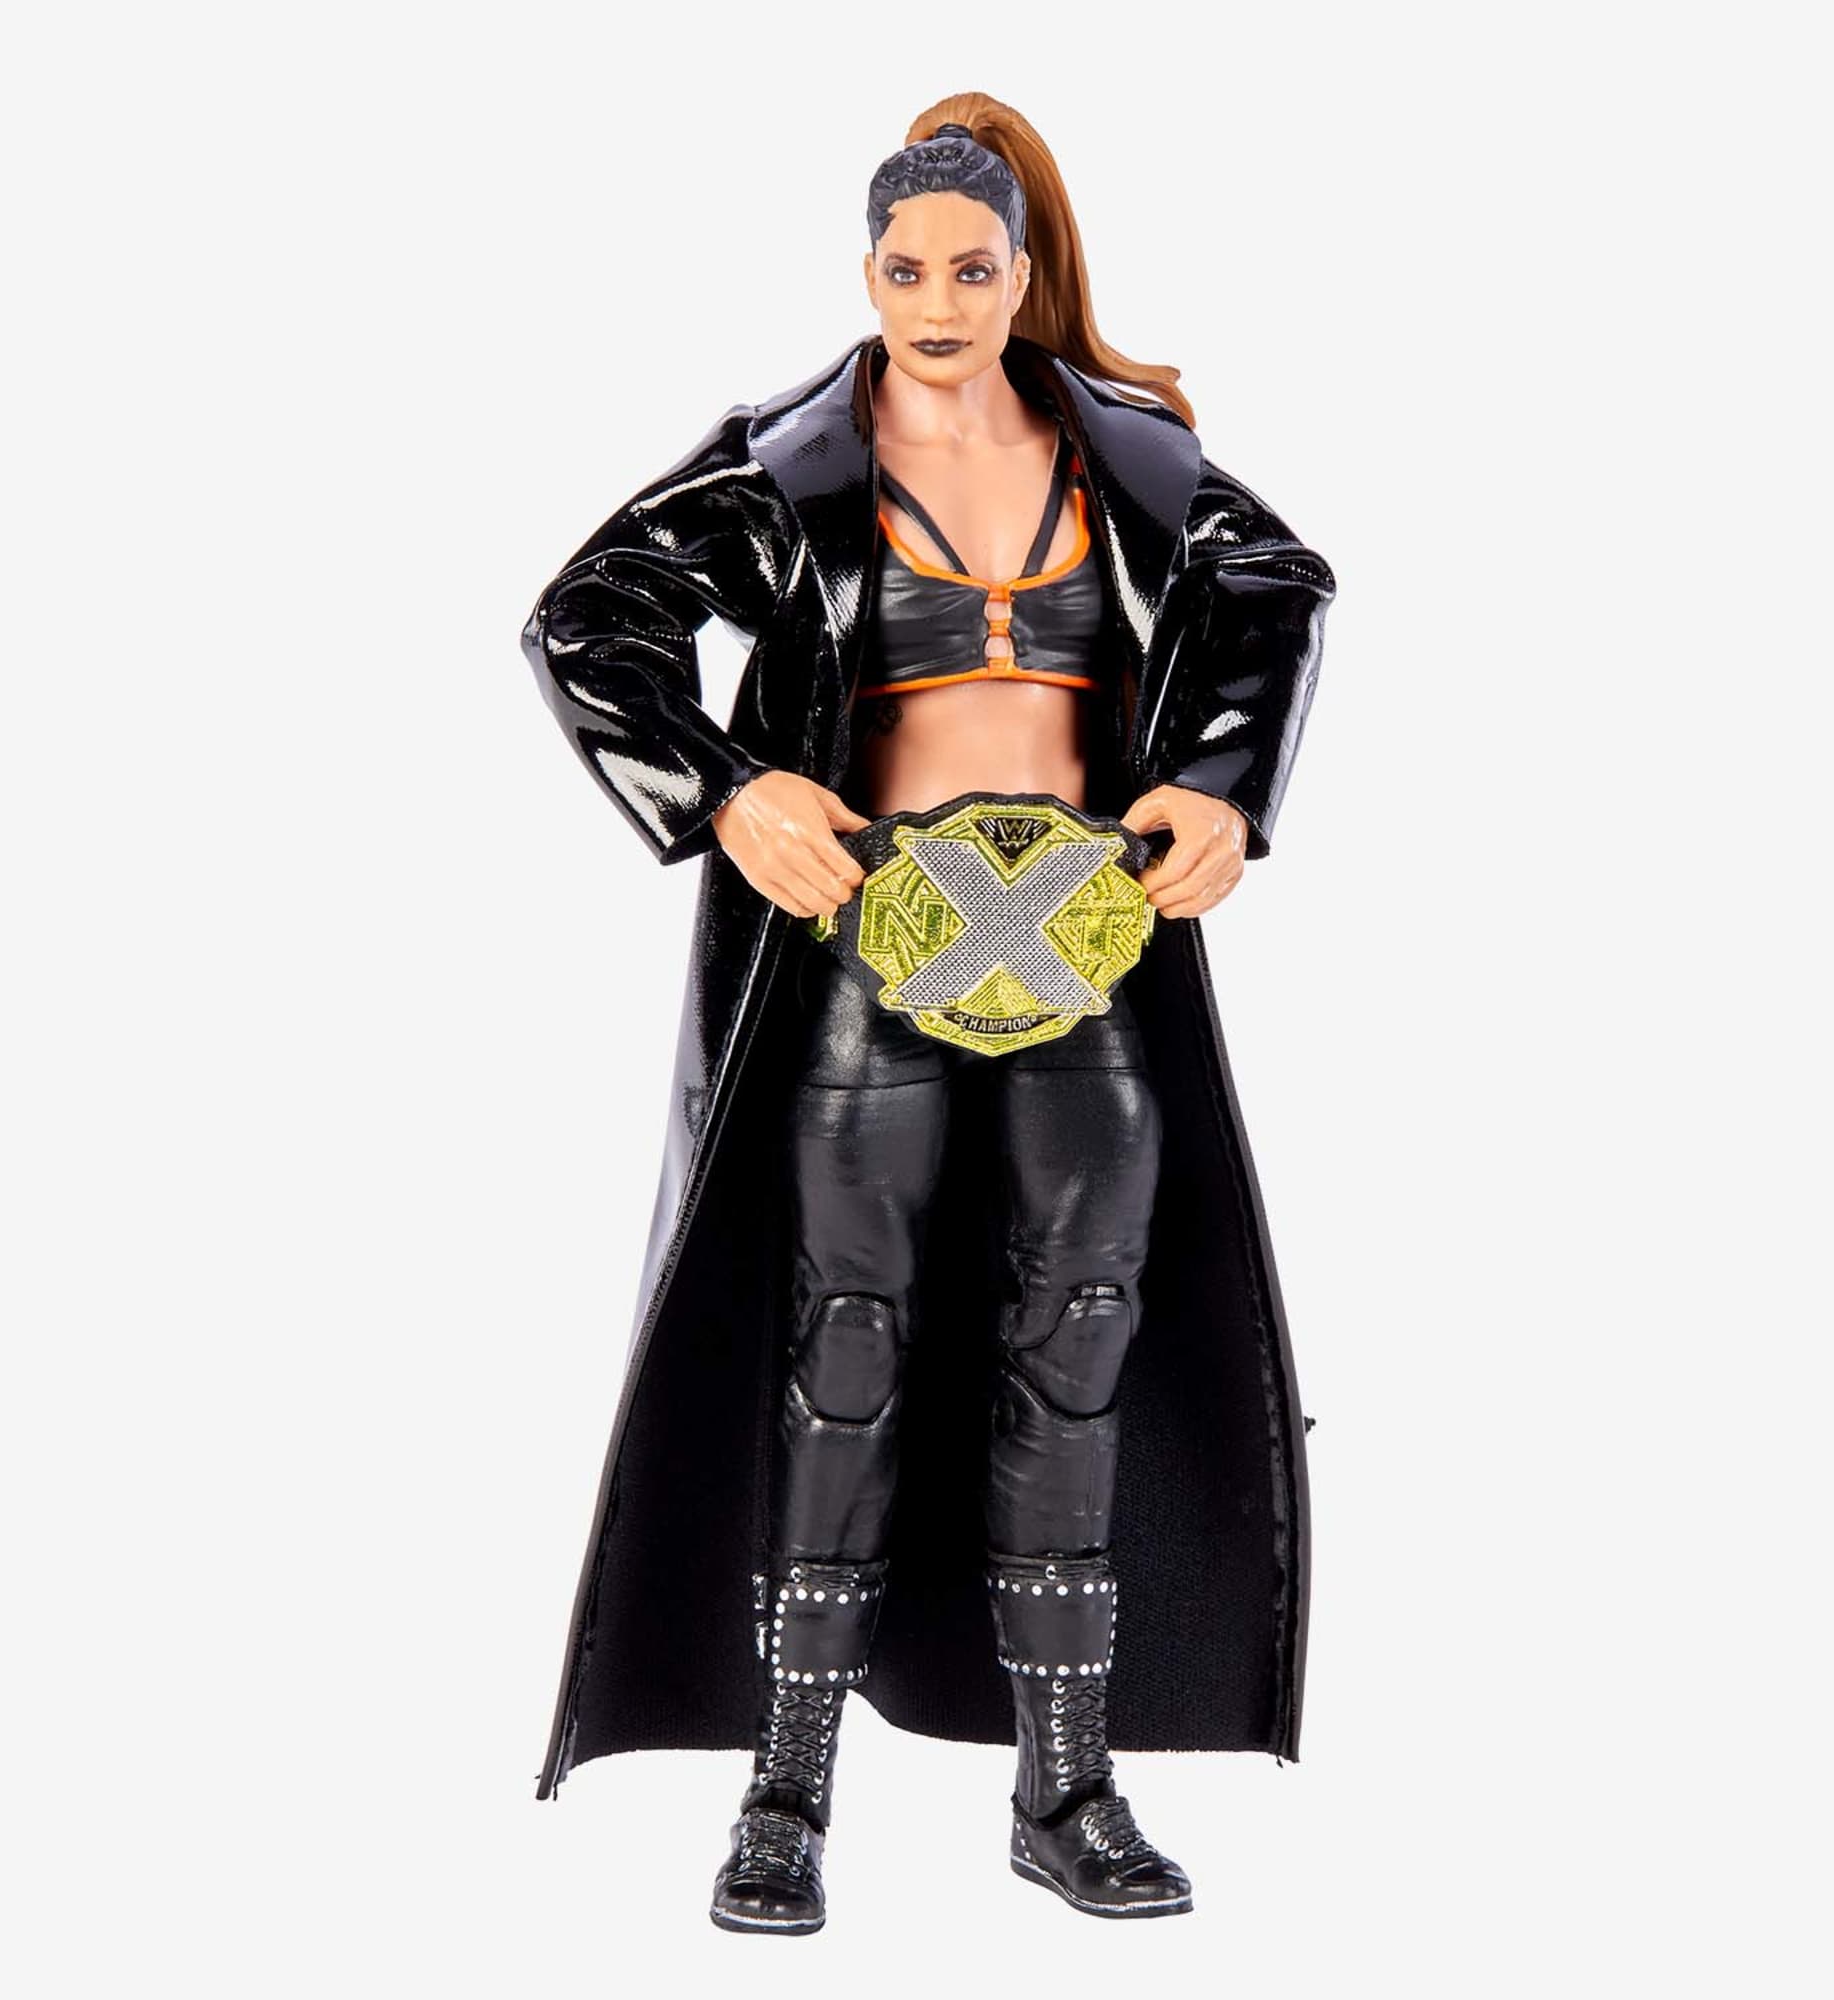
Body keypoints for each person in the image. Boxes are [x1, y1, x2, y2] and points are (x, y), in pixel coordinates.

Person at [518, 96, 1337, 1934]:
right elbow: (587, 619)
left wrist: (1221, 784)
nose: (939, 302)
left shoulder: (1125, 455)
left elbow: (1278, 587)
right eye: (906, 270)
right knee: (844, 1352)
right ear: (868, 273)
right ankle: (785, 1795)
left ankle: (1068, 1790)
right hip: (870, 950)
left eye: (973, 269)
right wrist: (731, 786)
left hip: (1081, 950)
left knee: (1079, 1347)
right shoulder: (785, 464)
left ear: (1022, 272)